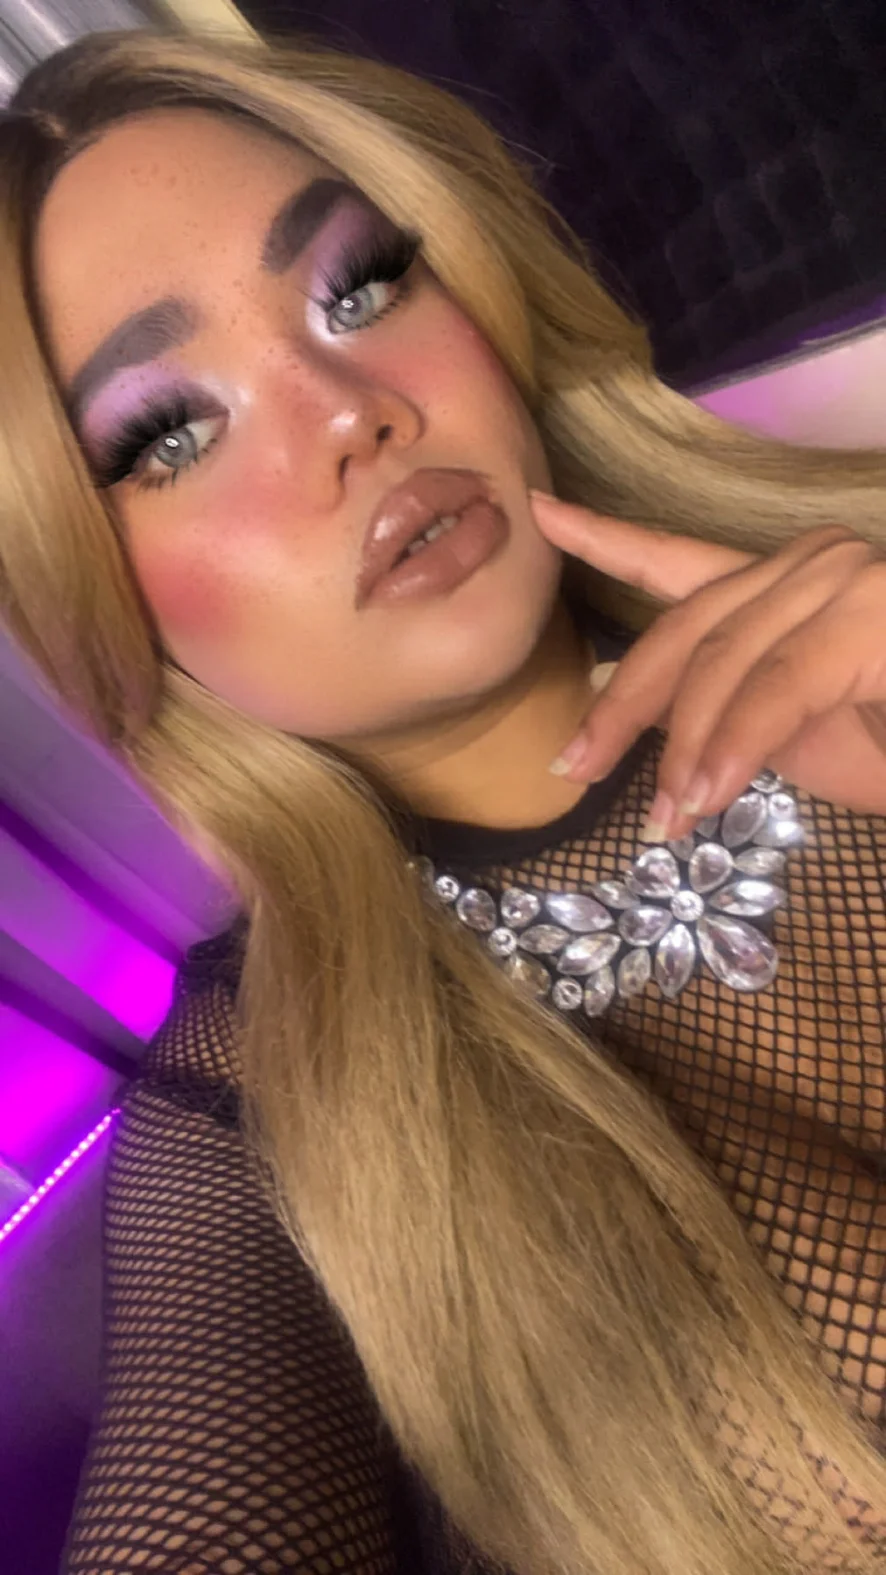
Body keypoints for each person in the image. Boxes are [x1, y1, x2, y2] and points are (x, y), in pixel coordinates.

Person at [1, 24, 885, 1575]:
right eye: (168, 431)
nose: (350, 411)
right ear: (99, 596)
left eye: (357, 288)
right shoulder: (263, 1111)